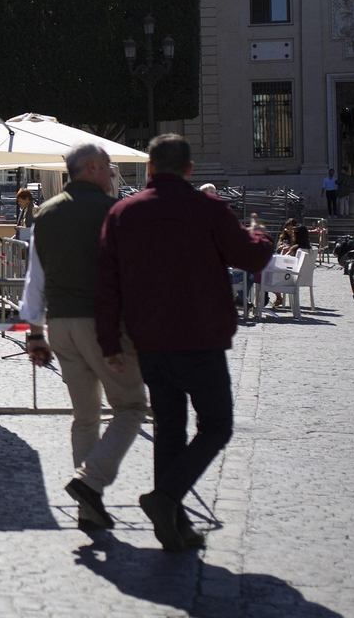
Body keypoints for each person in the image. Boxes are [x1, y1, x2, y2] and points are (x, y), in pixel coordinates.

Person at [96, 134, 275, 552]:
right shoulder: (208, 209)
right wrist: (260, 234)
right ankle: (165, 499)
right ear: (190, 170)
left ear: (151, 169)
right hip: (200, 338)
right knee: (216, 426)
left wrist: (109, 342)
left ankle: (174, 526)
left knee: (169, 431)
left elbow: (106, 284)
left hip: (151, 341)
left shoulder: (123, 213)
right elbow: (251, 257)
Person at [17, 143, 146, 533]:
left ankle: (89, 509)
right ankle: (90, 482)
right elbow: (131, 276)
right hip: (102, 326)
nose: (113, 175)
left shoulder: (47, 213)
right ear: (91, 167)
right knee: (130, 408)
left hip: (60, 325)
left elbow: (34, 279)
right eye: (109, 167)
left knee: (85, 417)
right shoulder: (113, 213)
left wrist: (35, 334)